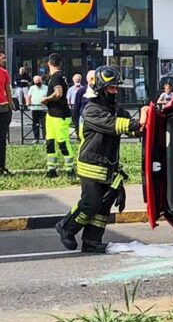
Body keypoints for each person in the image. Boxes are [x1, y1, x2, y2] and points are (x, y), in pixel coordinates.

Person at [55, 66, 148, 254]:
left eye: (116, 88)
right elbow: (114, 125)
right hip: (91, 164)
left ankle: (91, 241)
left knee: (103, 207)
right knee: (91, 202)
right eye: (111, 88)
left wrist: (146, 122)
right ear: (100, 87)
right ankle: (66, 226)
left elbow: (131, 129)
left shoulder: (117, 108)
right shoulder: (91, 109)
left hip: (108, 166)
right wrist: (139, 121)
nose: (114, 91)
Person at [43, 54, 72, 178]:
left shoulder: (55, 77)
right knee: (50, 141)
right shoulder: (61, 76)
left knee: (62, 142)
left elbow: (58, 93)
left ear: (49, 64)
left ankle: (70, 169)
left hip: (60, 115)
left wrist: (46, 99)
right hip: (52, 114)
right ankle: (51, 169)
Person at [28, 74, 48, 141]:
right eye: (36, 81)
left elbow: (49, 97)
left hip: (43, 109)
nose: (38, 82)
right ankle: (36, 138)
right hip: (34, 108)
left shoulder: (46, 87)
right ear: (34, 81)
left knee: (44, 124)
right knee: (35, 124)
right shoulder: (32, 88)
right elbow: (29, 96)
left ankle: (45, 138)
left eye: (39, 80)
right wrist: (29, 103)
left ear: (41, 80)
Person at [67, 73, 86, 137]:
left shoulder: (83, 89)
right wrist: (69, 106)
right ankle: (77, 134)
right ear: (73, 80)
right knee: (75, 121)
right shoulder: (70, 89)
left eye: (78, 79)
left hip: (81, 106)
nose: (77, 80)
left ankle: (80, 135)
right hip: (73, 106)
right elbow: (68, 98)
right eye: (76, 79)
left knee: (81, 121)